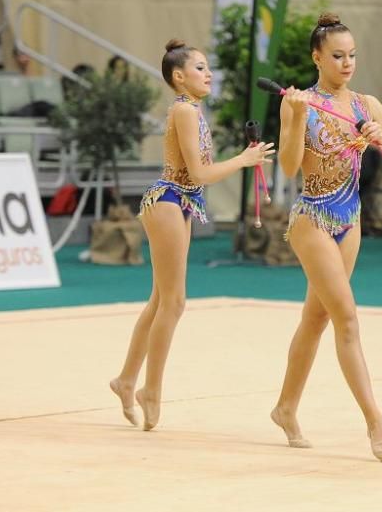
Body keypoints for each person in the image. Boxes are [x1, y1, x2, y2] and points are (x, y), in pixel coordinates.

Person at [270, 13, 382, 463]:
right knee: (347, 319)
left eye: (352, 55)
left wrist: (379, 142)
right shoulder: (300, 102)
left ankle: (285, 408)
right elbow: (291, 168)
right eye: (337, 56)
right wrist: (295, 119)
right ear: (317, 58)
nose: (347, 62)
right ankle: (375, 421)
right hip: (312, 217)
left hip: (349, 221)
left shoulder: (366, 105)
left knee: (316, 320)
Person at [109, 39, 274, 431]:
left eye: (208, 67)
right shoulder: (184, 110)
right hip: (168, 200)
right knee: (174, 303)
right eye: (201, 68)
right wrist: (243, 160)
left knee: (159, 301)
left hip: (179, 202)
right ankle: (151, 389)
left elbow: (202, 172)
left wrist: (239, 159)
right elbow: (200, 174)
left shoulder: (194, 112)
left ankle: (126, 380)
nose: (209, 73)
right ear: (179, 77)